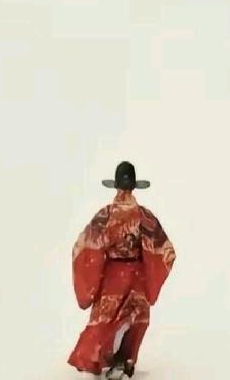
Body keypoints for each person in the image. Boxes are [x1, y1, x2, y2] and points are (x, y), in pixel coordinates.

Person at [68, 161, 176, 378]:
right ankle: (125, 360)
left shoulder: (106, 215)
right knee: (136, 319)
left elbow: (84, 247)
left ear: (115, 186)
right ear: (135, 187)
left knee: (105, 319)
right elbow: (165, 249)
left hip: (112, 278)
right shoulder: (144, 216)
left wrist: (94, 270)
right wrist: (149, 268)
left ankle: (94, 357)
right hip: (137, 276)